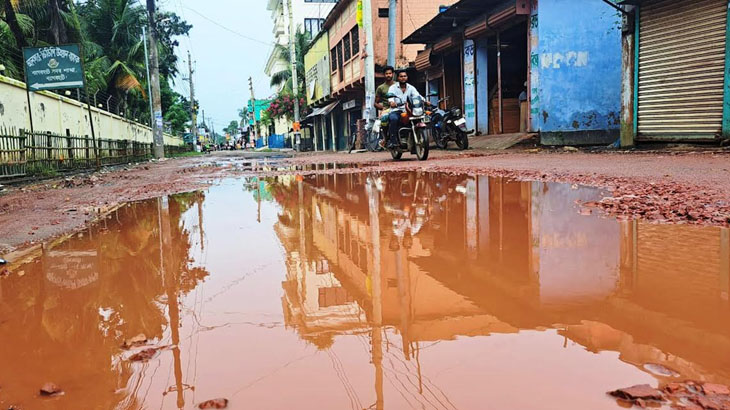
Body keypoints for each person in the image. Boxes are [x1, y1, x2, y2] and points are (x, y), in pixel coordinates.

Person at [386, 70, 428, 148]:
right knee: (394, 119)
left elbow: (417, 96)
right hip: (397, 110)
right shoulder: (393, 88)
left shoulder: (411, 87)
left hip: (409, 109)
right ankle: (393, 141)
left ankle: (414, 137)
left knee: (418, 119)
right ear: (398, 78)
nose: (403, 78)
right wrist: (392, 102)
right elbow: (390, 98)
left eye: (405, 76)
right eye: (401, 76)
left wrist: (425, 101)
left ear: (407, 77)